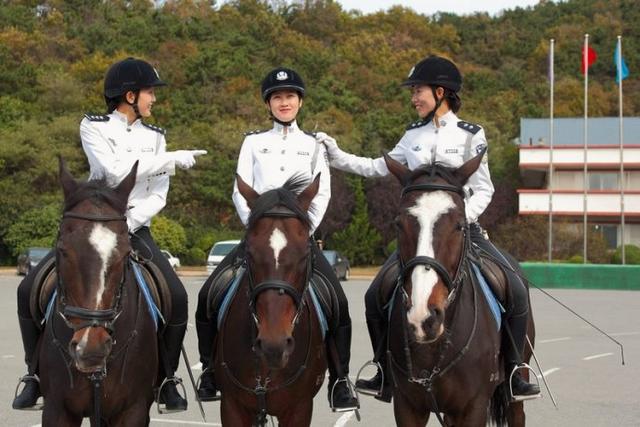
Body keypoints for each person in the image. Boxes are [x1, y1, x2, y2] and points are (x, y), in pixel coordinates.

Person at [315, 55, 541, 401]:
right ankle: (383, 371)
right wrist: (337, 155)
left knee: (515, 286)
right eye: (413, 92)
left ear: (441, 92)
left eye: (418, 91)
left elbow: (484, 189)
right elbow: (378, 167)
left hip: (461, 233)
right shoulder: (412, 135)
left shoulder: (470, 134)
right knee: (377, 293)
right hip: (418, 236)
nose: (413, 98)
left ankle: (514, 372)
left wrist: (463, 221)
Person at [12, 57, 207, 411]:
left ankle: (167, 379)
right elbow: (114, 173)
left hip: (134, 227)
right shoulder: (94, 127)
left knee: (176, 297)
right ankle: (33, 375)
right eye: (149, 92)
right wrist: (171, 159)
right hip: (94, 227)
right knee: (29, 288)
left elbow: (159, 193)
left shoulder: (156, 137)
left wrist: (129, 226)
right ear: (129, 95)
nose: (154, 99)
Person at [195, 67, 359, 411]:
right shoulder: (253, 142)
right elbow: (241, 189)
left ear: (300, 102)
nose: (284, 102)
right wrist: (256, 228)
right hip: (258, 238)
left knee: (339, 306)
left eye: (290, 96)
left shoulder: (314, 144)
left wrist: (302, 232)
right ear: (268, 104)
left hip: (299, 241)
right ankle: (210, 371)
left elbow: (322, 191)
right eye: (277, 97)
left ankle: (340, 380)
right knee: (209, 295)